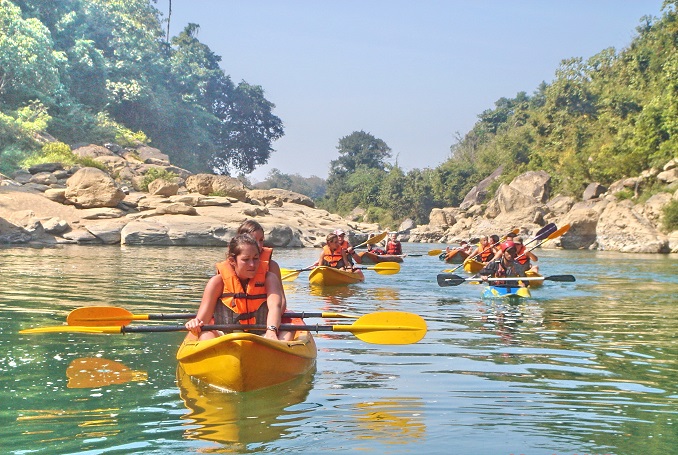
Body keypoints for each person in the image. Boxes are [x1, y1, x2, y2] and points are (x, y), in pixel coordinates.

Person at [185, 234, 291, 341]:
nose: (252, 265)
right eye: (246, 259)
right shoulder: (217, 283)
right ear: (232, 260)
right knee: (205, 334)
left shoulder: (269, 278)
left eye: (255, 258)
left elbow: (275, 307)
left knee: (287, 333)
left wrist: (271, 330)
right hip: (224, 337)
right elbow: (202, 319)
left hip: (263, 336)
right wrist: (195, 323)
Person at [237, 220, 287, 312]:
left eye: (261, 240)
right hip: (235, 320)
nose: (259, 245)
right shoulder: (231, 265)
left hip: (265, 320)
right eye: (254, 240)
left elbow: (282, 301)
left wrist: (274, 317)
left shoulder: (272, 266)